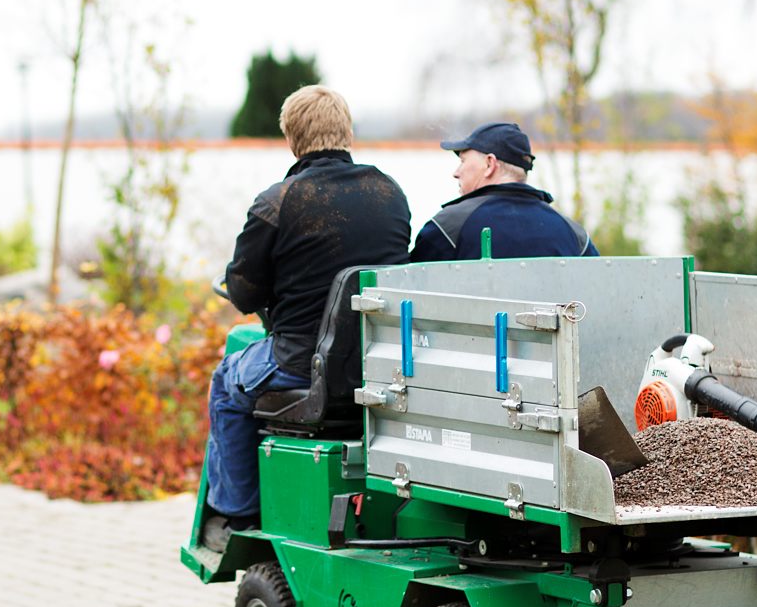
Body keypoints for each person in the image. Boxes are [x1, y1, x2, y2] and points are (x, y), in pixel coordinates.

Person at [202, 85, 411, 549]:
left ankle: (234, 514)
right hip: (379, 364)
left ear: (292, 139)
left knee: (226, 381)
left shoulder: (277, 203)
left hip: (300, 362)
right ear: (347, 132)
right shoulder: (389, 194)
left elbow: (243, 290)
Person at [409, 121, 599, 261]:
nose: (456, 173)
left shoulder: (448, 226)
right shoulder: (574, 233)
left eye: (463, 161)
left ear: (490, 164)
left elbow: (410, 295)